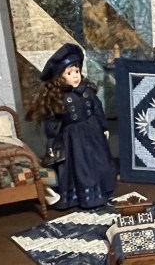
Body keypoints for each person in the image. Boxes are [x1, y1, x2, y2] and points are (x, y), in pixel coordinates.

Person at [30, 43, 117, 210]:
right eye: (69, 73)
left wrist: (104, 126)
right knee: (80, 167)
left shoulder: (87, 91)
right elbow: (53, 123)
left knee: (100, 162)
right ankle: (83, 196)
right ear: (60, 77)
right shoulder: (60, 98)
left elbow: (97, 109)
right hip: (73, 139)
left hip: (93, 134)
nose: (75, 76)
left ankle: (101, 191)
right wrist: (51, 143)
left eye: (76, 71)